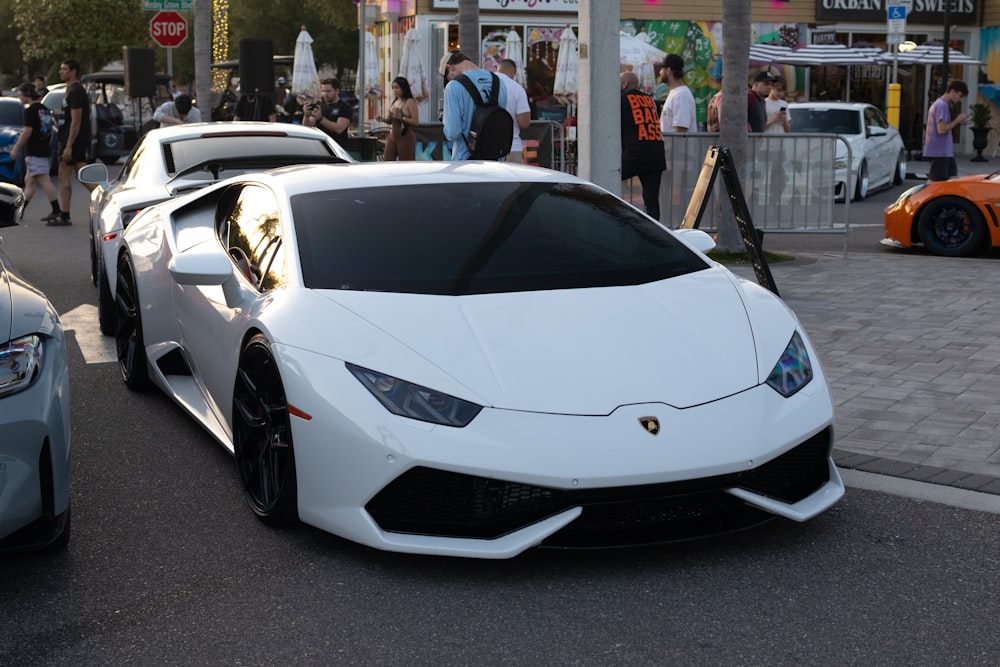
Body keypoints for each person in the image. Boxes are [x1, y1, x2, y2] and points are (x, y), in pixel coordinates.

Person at [440, 50, 508, 161]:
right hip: (496, 161)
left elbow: (452, 133)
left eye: (449, 78)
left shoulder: (454, 86)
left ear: (449, 67)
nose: (450, 80)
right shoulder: (499, 82)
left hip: (466, 162)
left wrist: (445, 120)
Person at [10, 83, 60, 223]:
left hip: (34, 151)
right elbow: (50, 131)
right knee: (30, 182)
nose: (19, 97)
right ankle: (19, 212)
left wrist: (16, 148)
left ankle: (56, 210)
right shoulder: (44, 110)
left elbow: (27, 132)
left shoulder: (30, 111)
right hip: (44, 150)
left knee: (44, 179)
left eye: (20, 94)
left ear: (27, 94)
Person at [620, 71, 666, 222]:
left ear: (624, 84)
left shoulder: (622, 99)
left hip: (635, 153)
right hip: (656, 154)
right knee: (652, 200)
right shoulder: (649, 99)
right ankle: (656, 234)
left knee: (607, 179)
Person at [53, 59, 93, 226]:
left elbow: (76, 121)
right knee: (81, 174)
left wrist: (68, 146)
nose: (61, 71)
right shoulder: (69, 89)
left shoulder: (77, 91)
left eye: (64, 69)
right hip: (68, 138)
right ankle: (107, 197)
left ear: (73, 71)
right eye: (61, 68)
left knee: (64, 173)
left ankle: (64, 214)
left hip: (73, 140)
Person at [925, 80, 968, 182]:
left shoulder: (940, 104)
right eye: (959, 95)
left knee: (952, 178)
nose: (960, 99)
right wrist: (958, 120)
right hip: (939, 152)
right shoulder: (942, 105)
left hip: (944, 151)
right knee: (936, 183)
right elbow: (942, 129)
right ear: (952, 91)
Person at [496, 59, 531, 164]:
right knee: (512, 179)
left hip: (486, 146)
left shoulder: (485, 83)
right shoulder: (516, 89)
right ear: (511, 71)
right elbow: (524, 123)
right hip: (511, 146)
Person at [763, 76, 791, 205]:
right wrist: (772, 119)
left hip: (781, 145)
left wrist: (784, 120)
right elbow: (760, 126)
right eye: (778, 90)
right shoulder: (764, 103)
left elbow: (788, 129)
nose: (780, 93)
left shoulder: (784, 105)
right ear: (772, 88)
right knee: (766, 174)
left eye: (783, 91)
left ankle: (775, 197)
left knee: (779, 174)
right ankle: (766, 197)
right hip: (766, 146)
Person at [377, 76, 419, 161]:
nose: (394, 90)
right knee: (387, 161)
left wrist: (402, 118)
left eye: (397, 88)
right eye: (393, 88)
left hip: (405, 136)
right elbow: (390, 120)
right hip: (393, 136)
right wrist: (382, 119)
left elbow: (416, 121)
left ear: (403, 88)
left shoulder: (410, 102)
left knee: (405, 163)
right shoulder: (395, 101)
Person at [302, 77, 353, 146]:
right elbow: (307, 128)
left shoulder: (344, 107)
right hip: (320, 146)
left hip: (337, 147)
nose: (325, 94)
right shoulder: (320, 106)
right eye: (323, 91)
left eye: (328, 91)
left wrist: (321, 118)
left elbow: (339, 129)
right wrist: (306, 116)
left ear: (337, 91)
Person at [659, 54, 696, 133]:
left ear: (668, 71)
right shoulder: (677, 93)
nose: (660, 72)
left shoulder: (681, 95)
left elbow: (681, 129)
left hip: (678, 145)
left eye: (662, 69)